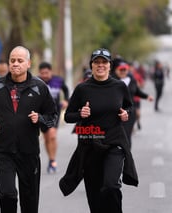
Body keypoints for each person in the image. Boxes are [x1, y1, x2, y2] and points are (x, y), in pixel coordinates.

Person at [59, 48, 138, 213]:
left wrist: (126, 114)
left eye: (104, 62)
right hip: (90, 145)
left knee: (111, 186)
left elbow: (129, 106)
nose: (100, 65)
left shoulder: (119, 86)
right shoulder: (82, 89)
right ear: (92, 65)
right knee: (95, 197)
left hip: (114, 143)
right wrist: (80, 113)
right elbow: (68, 116)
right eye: (97, 62)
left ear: (110, 66)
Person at [0, 46, 57, 213]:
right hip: (4, 150)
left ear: (29, 63)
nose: (15, 64)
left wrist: (40, 119)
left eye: (20, 61)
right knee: (7, 194)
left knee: (29, 200)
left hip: (28, 151)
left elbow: (52, 116)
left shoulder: (40, 87)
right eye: (12, 60)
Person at [112, 59, 153, 148]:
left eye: (125, 69)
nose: (123, 71)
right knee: (116, 137)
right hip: (115, 114)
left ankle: (126, 156)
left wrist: (147, 97)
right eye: (121, 69)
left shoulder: (131, 79)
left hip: (129, 112)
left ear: (127, 69)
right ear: (116, 70)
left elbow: (137, 91)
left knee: (127, 136)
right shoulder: (111, 80)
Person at [38, 62, 69, 173]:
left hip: (54, 112)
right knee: (46, 138)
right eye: (42, 73)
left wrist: (66, 100)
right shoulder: (36, 82)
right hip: (41, 114)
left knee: (52, 135)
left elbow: (66, 90)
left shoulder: (58, 80)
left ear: (51, 72)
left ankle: (53, 160)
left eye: (46, 73)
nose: (45, 75)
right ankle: (51, 159)